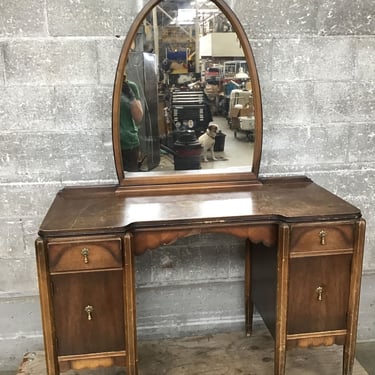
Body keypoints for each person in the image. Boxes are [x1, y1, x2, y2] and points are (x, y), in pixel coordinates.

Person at [120, 76, 144, 171]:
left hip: (128, 143)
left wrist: (130, 95)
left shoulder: (131, 86)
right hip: (106, 144)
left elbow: (138, 117)